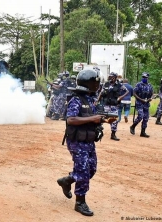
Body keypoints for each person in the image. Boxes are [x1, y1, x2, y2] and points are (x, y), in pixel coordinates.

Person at [57, 69, 115, 217]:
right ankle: (80, 202)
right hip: (77, 141)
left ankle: (67, 180)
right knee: (82, 172)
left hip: (89, 140)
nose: (97, 85)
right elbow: (71, 119)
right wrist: (93, 119)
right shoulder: (76, 99)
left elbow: (93, 117)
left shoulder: (90, 99)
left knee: (91, 170)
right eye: (95, 83)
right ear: (89, 83)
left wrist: (104, 120)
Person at [96, 72, 129, 141]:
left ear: (115, 78)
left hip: (114, 105)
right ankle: (97, 132)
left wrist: (120, 97)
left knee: (114, 119)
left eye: (111, 77)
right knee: (102, 118)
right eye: (109, 77)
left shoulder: (119, 85)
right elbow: (101, 93)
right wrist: (97, 101)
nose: (110, 78)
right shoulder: (106, 84)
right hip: (106, 104)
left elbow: (127, 91)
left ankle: (113, 134)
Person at [130, 72, 154, 138]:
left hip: (146, 103)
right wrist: (140, 99)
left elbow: (152, 93)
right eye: (143, 77)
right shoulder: (138, 85)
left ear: (148, 78)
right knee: (140, 116)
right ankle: (133, 126)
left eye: (145, 77)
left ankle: (143, 132)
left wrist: (151, 98)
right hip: (139, 103)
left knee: (146, 118)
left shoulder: (149, 86)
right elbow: (134, 93)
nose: (144, 78)